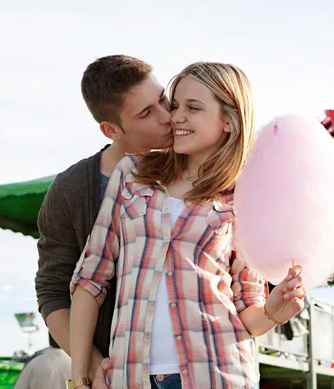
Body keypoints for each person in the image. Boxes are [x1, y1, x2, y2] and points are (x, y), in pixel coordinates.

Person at [69, 62, 307, 389]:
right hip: (131, 378)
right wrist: (78, 378)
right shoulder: (132, 174)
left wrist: (274, 311)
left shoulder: (246, 196)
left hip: (219, 375)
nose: (175, 116)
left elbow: (248, 310)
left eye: (193, 108)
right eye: (176, 104)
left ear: (229, 121)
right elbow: (90, 278)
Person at [35, 55, 173, 385]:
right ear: (111, 129)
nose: (167, 116)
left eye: (163, 98)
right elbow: (53, 290)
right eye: (146, 113)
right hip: (117, 374)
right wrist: (91, 364)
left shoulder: (198, 169)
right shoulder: (70, 189)